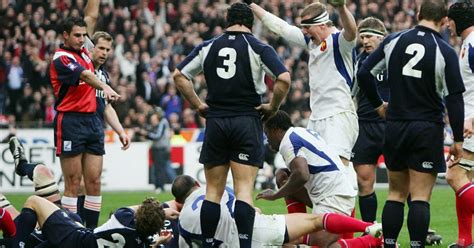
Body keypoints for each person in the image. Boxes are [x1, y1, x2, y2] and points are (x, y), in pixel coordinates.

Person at [173, 3, 291, 247]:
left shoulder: (208, 46)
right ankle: (244, 244)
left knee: (213, 192)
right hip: (246, 120)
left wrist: (197, 105)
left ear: (227, 20)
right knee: (244, 190)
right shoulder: (258, 47)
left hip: (216, 121)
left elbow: (179, 75)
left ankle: (207, 243)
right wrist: (273, 106)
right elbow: (284, 78)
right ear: (251, 22)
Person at [357, 0, 465, 247]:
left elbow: (364, 73)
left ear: (418, 15)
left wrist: (378, 105)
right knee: (419, 197)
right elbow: (455, 99)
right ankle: (416, 244)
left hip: (395, 125)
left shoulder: (393, 40)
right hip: (426, 127)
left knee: (395, 194)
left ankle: (389, 243)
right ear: (444, 21)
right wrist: (458, 140)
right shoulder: (444, 50)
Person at [246, 0, 358, 184]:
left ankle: (344, 213)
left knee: (338, 171)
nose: (304, 31)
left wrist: (341, 8)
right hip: (317, 117)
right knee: (313, 175)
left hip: (338, 115)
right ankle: (323, 213)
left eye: (307, 27)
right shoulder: (312, 42)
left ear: (322, 24)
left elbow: (352, 31)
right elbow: (282, 27)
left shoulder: (340, 42)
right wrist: (251, 5)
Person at [48, 10, 120, 227]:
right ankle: (72, 231)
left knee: (94, 183)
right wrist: (106, 86)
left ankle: (90, 232)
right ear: (65, 36)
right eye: (77, 35)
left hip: (92, 122)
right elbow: (86, 76)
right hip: (70, 120)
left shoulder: (85, 51)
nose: (82, 39)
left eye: (83, 35)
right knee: (73, 183)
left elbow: (92, 15)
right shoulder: (62, 57)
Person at [174, 175, 382, 247]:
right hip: (256, 229)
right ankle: (370, 229)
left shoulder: (183, 221)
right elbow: (244, 210)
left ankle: (371, 243)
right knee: (315, 221)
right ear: (197, 183)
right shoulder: (216, 191)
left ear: (179, 201)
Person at [257, 110, 357, 246]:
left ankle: (373, 241)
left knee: (316, 244)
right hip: (332, 192)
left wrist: (276, 195)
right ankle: (300, 227)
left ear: (275, 130)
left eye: (267, 133)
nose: (267, 138)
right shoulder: (299, 132)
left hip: (334, 199)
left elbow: (302, 175)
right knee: (283, 175)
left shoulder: (288, 141)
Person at [351, 17, 388, 225]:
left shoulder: (395, 57)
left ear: (381, 38)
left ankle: (420, 228)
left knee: (404, 181)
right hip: (365, 125)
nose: (364, 41)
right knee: (364, 180)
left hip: (391, 125)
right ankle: (370, 230)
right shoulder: (358, 60)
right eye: (362, 36)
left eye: (369, 36)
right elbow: (352, 92)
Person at [447, 1, 474, 247]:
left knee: (454, 176)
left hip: (472, 124)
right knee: (465, 177)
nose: (448, 25)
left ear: (458, 20)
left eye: (450, 20)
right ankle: (465, 239)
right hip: (466, 121)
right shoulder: (467, 43)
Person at [135, 108, 175, 193]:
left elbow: (157, 136)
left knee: (160, 168)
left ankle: (161, 186)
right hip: (156, 148)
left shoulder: (163, 122)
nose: (153, 121)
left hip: (161, 148)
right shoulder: (158, 123)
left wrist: (145, 133)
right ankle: (159, 185)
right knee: (158, 168)